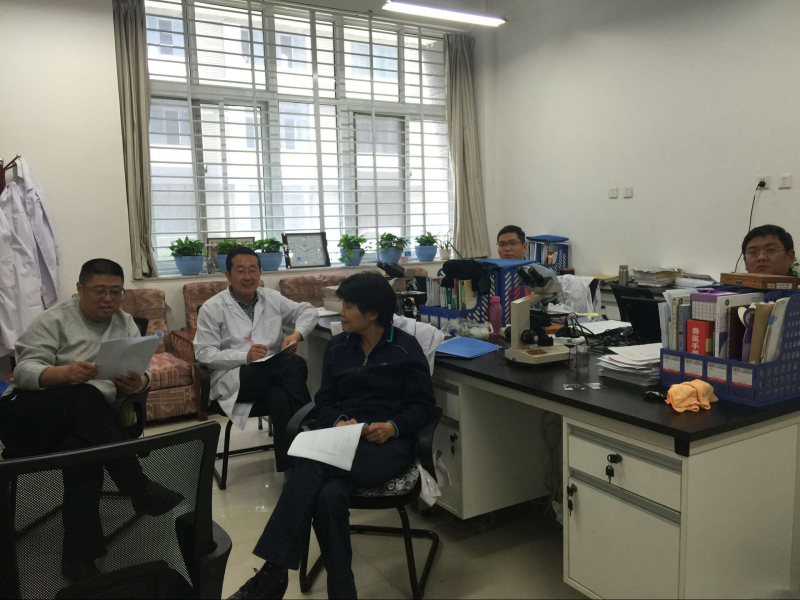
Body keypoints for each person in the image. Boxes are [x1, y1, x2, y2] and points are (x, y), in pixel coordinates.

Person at [229, 272, 436, 600]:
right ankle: (342, 590)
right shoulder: (339, 346)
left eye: (349, 306)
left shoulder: (405, 348)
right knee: (328, 496)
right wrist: (338, 421)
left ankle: (273, 574)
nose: (341, 312)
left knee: (308, 464)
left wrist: (393, 426)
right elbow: (324, 401)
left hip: (387, 446)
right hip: (343, 441)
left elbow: (424, 406)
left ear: (372, 313)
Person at [0, 258, 183, 581]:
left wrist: (138, 383)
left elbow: (141, 371)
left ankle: (79, 561)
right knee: (84, 395)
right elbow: (23, 372)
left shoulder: (124, 323)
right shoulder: (54, 319)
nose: (108, 299)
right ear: (80, 289)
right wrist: (64, 374)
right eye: (99, 291)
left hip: (87, 427)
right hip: (28, 418)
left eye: (116, 291)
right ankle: (137, 486)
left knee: (83, 451)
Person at [193, 246, 319, 471]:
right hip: (236, 379)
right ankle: (311, 418)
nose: (248, 276)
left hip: (273, 376)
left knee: (280, 396)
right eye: (240, 271)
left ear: (260, 273)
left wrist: (296, 335)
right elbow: (203, 353)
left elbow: (308, 311)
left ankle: (291, 470)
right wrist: (245, 356)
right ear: (228, 275)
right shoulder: (212, 308)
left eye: (253, 270)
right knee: (293, 364)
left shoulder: (271, 298)